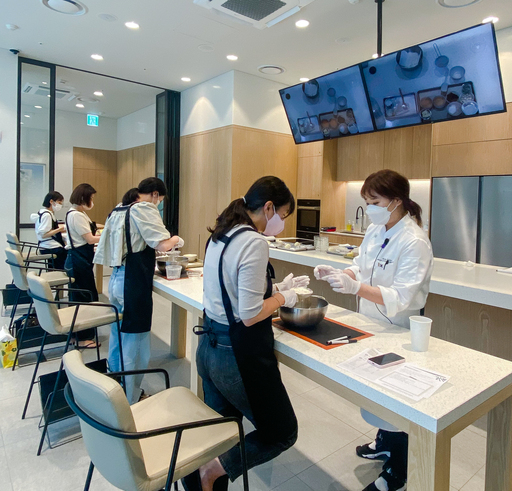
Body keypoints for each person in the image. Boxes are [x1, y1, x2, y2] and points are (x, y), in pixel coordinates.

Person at [183, 176, 309, 491]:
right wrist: (285, 298)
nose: (281, 223)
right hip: (235, 356)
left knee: (222, 433)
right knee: (282, 432)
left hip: (209, 347)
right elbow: (250, 315)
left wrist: (275, 289)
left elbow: (233, 290)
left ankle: (205, 478)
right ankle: (212, 471)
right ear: (269, 208)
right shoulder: (254, 241)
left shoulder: (222, 233)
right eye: (283, 215)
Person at [314, 169, 434, 491]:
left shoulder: (414, 242)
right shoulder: (376, 229)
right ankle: (385, 443)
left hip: (397, 329)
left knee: (395, 398)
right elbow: (362, 266)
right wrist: (341, 273)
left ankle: (399, 469)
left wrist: (355, 288)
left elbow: (401, 296)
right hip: (370, 323)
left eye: (375, 202)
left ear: (396, 201)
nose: (369, 208)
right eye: (367, 202)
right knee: (374, 390)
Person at [94, 178, 184, 404]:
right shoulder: (144, 208)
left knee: (117, 335)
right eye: (160, 199)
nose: (158, 204)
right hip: (132, 282)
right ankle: (131, 398)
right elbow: (162, 244)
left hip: (116, 278)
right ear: (154, 194)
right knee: (135, 343)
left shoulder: (119, 209)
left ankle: (115, 390)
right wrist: (176, 239)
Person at [65, 183, 101, 348]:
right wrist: (109, 235)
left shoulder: (77, 213)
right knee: (84, 298)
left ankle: (75, 335)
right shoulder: (76, 215)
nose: (92, 201)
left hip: (78, 258)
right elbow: (90, 239)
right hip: (78, 260)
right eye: (90, 198)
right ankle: (83, 338)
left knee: (78, 297)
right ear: (82, 198)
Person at [33, 191, 67, 270]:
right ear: (51, 201)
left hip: (45, 246)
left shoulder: (43, 212)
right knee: (68, 254)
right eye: (59, 202)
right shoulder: (47, 215)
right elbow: (44, 235)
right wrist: (60, 229)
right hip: (49, 247)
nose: (60, 205)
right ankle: (60, 274)